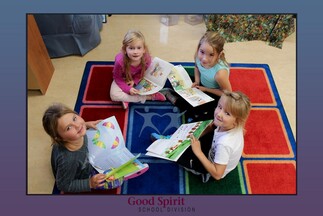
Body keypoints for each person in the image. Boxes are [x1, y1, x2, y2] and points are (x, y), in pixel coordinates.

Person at [152, 91, 251, 182]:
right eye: (220, 107)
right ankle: (176, 138)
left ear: (236, 121)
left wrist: (198, 152)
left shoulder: (224, 144)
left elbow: (217, 175)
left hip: (210, 170)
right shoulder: (231, 125)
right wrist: (199, 133)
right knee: (205, 123)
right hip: (214, 150)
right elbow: (213, 126)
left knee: (180, 154)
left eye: (227, 113)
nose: (219, 114)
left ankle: (163, 146)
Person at [42, 103, 122, 194]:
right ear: (60, 138)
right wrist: (89, 183)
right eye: (68, 128)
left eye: (74, 118)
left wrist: (86, 124)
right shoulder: (69, 160)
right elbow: (63, 185)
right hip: (80, 173)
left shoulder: (77, 133)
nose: (77, 126)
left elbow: (79, 125)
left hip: (83, 157)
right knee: (116, 180)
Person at [161, 31, 232, 122]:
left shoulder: (220, 74)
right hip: (201, 84)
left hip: (214, 92)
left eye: (211, 55)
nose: (204, 59)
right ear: (198, 48)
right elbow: (197, 67)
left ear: (220, 55)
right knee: (174, 80)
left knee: (196, 108)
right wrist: (197, 81)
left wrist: (206, 89)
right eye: (202, 52)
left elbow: (227, 93)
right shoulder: (198, 57)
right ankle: (176, 94)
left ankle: (172, 97)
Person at [110, 29, 166, 109]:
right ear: (125, 50)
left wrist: (135, 80)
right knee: (114, 95)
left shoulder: (146, 58)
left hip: (139, 76)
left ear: (144, 50)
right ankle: (150, 97)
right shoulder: (120, 61)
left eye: (139, 48)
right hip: (123, 78)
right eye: (131, 48)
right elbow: (117, 78)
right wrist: (128, 89)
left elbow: (142, 73)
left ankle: (126, 98)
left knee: (156, 69)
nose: (135, 52)